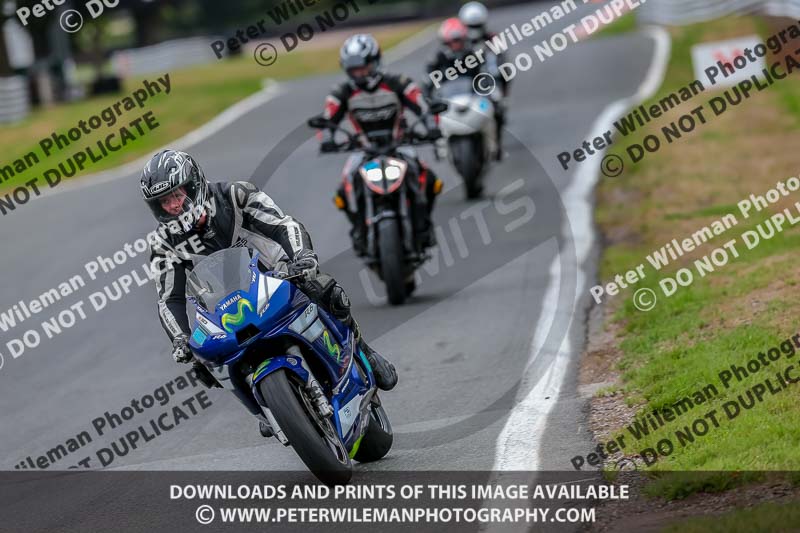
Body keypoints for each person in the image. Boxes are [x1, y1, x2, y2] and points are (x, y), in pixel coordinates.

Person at [142, 150, 399, 428]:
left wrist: (302, 257)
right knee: (201, 361)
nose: (174, 207)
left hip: (277, 274)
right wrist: (180, 338)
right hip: (224, 306)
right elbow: (169, 298)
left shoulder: (235, 195)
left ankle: (365, 352)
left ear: (195, 184)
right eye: (164, 202)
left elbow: (282, 225)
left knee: (323, 288)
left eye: (177, 195)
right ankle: (262, 410)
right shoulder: (163, 244)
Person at [320, 33, 443, 254]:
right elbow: (327, 120)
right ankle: (358, 231)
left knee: (429, 179)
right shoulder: (342, 92)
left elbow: (423, 106)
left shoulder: (398, 82)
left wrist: (432, 128)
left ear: (375, 61)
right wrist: (328, 139)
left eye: (362, 66)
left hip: (399, 145)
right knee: (343, 189)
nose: (359, 73)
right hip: (364, 150)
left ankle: (423, 227)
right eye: (353, 68)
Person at [458, 1, 509, 160]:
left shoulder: (493, 39)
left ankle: (497, 145)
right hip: (463, 84)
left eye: (477, 25)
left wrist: (502, 86)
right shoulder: (459, 42)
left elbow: (503, 65)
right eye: (470, 26)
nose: (474, 30)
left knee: (498, 107)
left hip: (488, 82)